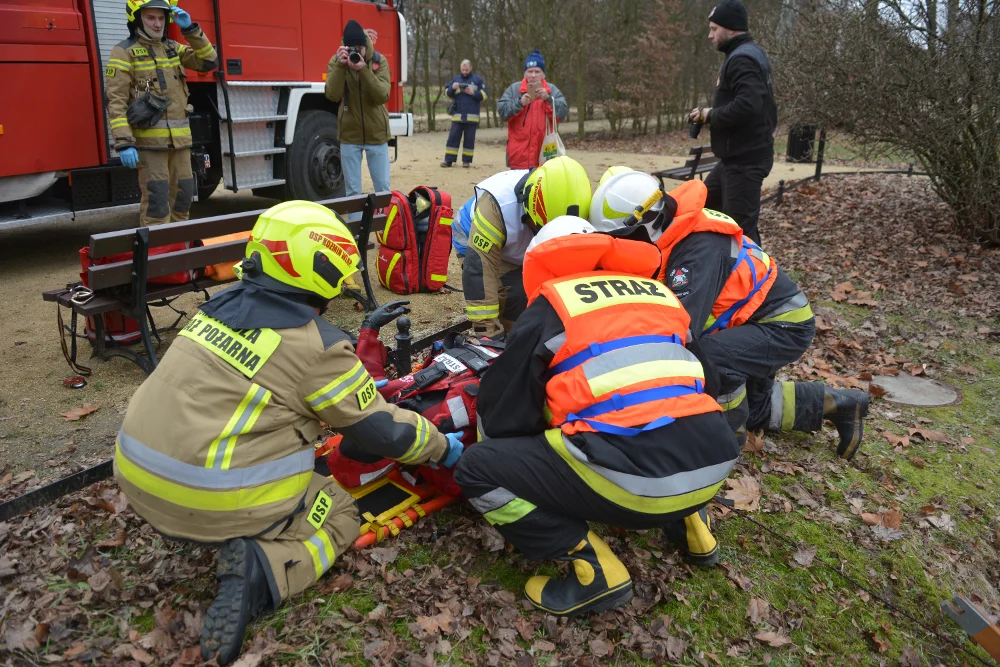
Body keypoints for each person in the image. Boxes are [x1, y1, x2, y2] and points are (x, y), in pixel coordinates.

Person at [112, 200, 463, 665]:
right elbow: (382, 431)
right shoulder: (315, 345)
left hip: (135, 475)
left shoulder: (213, 309)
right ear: (320, 271)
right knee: (338, 510)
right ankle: (266, 571)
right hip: (204, 498)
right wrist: (442, 447)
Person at [455, 217, 740, 616]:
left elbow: (505, 420)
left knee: (478, 467)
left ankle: (592, 567)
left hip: (636, 484)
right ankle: (695, 530)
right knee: (667, 409)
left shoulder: (550, 307)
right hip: (713, 463)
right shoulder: (660, 296)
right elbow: (707, 383)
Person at [590, 171, 869, 459]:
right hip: (758, 321)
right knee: (757, 408)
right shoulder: (679, 230)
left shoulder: (697, 250)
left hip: (782, 325)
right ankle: (844, 404)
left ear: (649, 222)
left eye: (625, 237)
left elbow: (680, 330)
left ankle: (722, 443)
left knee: (711, 359)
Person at [106, 0, 217, 226]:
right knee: (156, 205)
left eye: (161, 18)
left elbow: (209, 61)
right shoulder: (124, 52)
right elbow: (115, 101)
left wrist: (190, 30)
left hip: (180, 144)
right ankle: (159, 257)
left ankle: (179, 254)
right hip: (149, 146)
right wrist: (124, 142)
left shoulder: (173, 48)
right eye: (151, 18)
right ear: (138, 19)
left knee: (183, 200)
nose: (157, 24)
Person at [462, 156, 592, 338]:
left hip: (518, 246)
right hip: (473, 235)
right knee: (517, 296)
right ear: (527, 206)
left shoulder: (579, 202)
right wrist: (489, 333)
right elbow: (479, 269)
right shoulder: (497, 206)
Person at [689, 0, 777, 246]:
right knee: (703, 207)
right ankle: (708, 262)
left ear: (731, 28)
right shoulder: (746, 53)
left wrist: (710, 115)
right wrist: (709, 113)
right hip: (734, 160)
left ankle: (757, 280)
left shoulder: (742, 59)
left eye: (714, 29)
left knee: (741, 233)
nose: (710, 35)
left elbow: (749, 106)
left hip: (745, 162)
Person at [325, 20, 391, 215]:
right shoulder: (336, 62)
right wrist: (340, 67)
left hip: (376, 134)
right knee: (353, 191)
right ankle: (356, 232)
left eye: (359, 48)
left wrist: (364, 70)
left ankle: (385, 233)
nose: (357, 52)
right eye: (352, 48)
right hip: (349, 135)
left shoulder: (379, 61)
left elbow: (382, 95)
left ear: (365, 45)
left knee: (382, 188)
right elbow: (332, 95)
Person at [497, 50, 568, 169]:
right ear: (525, 73)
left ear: (543, 74)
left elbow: (562, 114)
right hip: (519, 156)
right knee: (520, 187)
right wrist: (519, 103)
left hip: (545, 155)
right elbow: (503, 113)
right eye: (530, 71)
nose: (533, 75)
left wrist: (548, 99)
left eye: (537, 71)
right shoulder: (514, 89)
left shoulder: (552, 90)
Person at [441, 59, 487, 168]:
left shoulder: (478, 80)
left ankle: (466, 161)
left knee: (469, 141)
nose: (465, 71)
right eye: (463, 69)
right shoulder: (456, 79)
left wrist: (473, 93)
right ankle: (448, 161)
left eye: (466, 69)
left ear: (471, 68)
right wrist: (452, 88)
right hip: (457, 116)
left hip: (472, 117)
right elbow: (446, 93)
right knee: (452, 139)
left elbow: (485, 95)